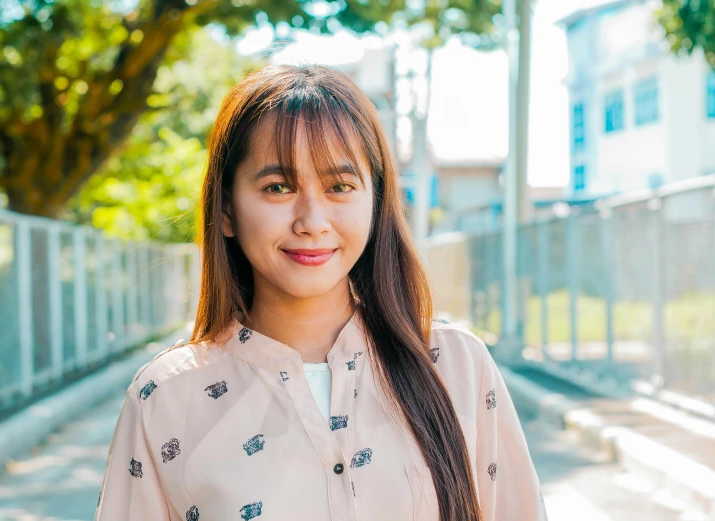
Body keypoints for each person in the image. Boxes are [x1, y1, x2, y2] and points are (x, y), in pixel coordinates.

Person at [94, 63, 547, 521]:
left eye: (339, 186)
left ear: (376, 201)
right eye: (277, 187)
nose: (312, 221)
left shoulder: (456, 365)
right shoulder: (166, 397)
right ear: (227, 210)